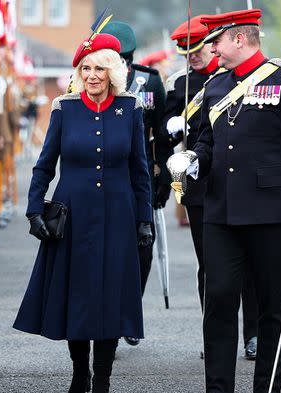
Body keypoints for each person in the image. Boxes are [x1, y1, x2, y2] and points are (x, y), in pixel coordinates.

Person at [168, 9, 281, 393]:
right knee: (219, 301)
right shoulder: (216, 84)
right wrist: (195, 160)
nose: (211, 49)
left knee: (274, 304)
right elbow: (207, 138)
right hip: (222, 211)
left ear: (240, 39)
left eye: (217, 42)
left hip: (273, 212)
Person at [13, 33, 153, 393]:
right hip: (71, 213)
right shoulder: (64, 108)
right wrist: (33, 210)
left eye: (100, 68)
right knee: (76, 294)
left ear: (113, 71)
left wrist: (144, 219)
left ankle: (103, 384)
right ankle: (79, 374)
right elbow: (44, 165)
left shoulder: (131, 108)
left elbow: (140, 169)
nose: (92, 76)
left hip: (118, 215)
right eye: (86, 69)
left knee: (109, 297)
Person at [159, 15, 258, 360]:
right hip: (201, 185)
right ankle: (213, 332)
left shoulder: (234, 77)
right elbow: (167, 131)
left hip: (237, 180)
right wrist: (171, 127)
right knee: (211, 265)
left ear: (212, 46)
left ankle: (253, 334)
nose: (193, 57)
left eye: (197, 49)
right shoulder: (179, 83)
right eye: (186, 52)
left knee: (248, 263)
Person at [100, 21, 170, 346]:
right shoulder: (91, 79)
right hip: (106, 178)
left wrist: (164, 177)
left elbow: (162, 136)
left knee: (142, 252)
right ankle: (109, 316)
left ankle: (130, 306)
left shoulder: (149, 81)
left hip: (141, 179)